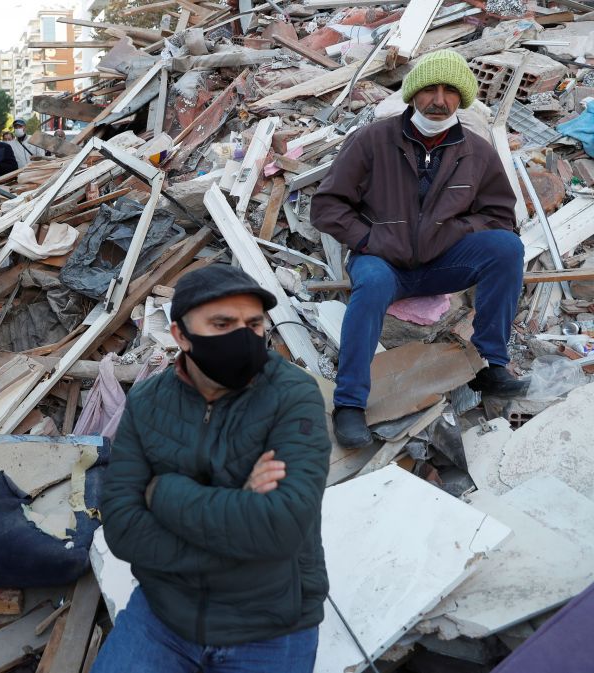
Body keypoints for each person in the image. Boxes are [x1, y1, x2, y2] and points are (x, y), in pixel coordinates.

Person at [93, 264, 330, 673]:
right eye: (222, 324)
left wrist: (162, 493)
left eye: (253, 324)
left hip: (269, 623)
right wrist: (240, 516)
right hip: (164, 616)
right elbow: (123, 529)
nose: (243, 336)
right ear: (181, 335)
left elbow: (281, 527)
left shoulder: (293, 395)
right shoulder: (148, 402)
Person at [311, 49, 526, 449]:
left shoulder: (476, 152)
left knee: (506, 249)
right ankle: (350, 404)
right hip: (383, 262)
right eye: (430, 89)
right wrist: (370, 240)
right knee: (371, 284)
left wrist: (457, 230)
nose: (439, 100)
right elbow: (326, 206)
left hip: (442, 263)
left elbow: (500, 215)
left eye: (450, 91)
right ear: (413, 94)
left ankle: (490, 364)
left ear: (462, 98)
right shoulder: (372, 140)